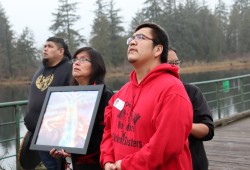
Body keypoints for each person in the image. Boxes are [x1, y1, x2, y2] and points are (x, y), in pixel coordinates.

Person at [100, 22, 193, 170]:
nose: (132, 42)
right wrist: (107, 160)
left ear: (158, 49)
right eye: (131, 39)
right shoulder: (122, 93)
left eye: (141, 37)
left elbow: (166, 145)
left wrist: (125, 165)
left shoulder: (172, 90)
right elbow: (108, 130)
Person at [49, 47, 114, 170]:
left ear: (96, 66)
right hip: (67, 163)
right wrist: (55, 145)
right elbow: (60, 127)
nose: (76, 63)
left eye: (83, 59)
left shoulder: (105, 94)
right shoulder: (67, 94)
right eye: (75, 59)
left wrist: (75, 149)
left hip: (91, 163)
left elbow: (107, 132)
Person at [24, 37, 72, 170]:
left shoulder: (70, 68)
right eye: (44, 46)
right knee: (50, 166)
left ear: (61, 51)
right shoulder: (40, 69)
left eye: (50, 46)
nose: (45, 48)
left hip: (58, 135)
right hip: (38, 135)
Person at [167, 47, 214, 170]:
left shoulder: (191, 92)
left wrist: (183, 124)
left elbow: (208, 130)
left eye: (176, 63)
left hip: (194, 164)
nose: (174, 67)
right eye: (169, 63)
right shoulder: (149, 94)